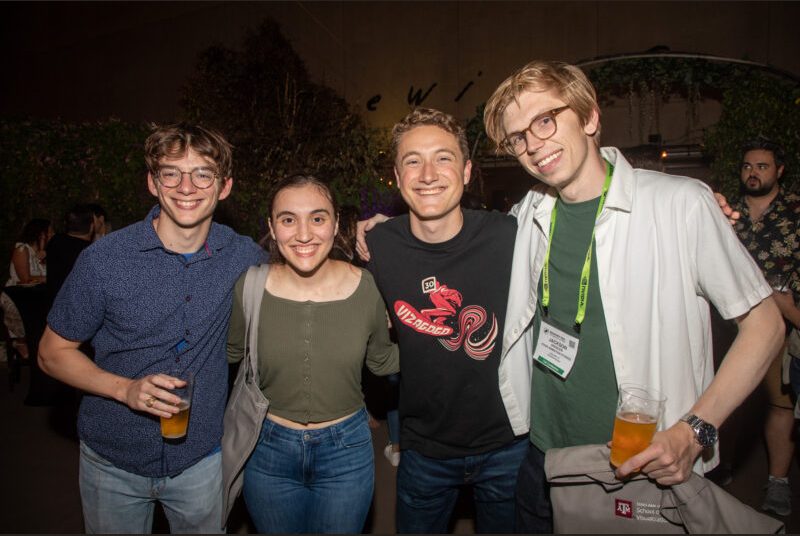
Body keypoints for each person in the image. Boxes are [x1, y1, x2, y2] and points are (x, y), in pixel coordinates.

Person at [482, 59, 784, 532]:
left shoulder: (679, 204)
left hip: (640, 462)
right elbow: (455, 236)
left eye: (545, 120)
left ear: (590, 118)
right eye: (518, 136)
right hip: (541, 456)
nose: (532, 145)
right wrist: (378, 229)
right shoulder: (527, 213)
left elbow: (765, 324)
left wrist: (695, 430)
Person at [38, 123, 266, 534]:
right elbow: (51, 354)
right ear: (152, 182)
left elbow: (304, 260)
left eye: (203, 173)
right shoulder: (104, 260)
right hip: (113, 460)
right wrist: (125, 389)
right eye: (171, 172)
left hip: (201, 459)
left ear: (225, 186)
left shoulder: (242, 253)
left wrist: (368, 234)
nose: (186, 186)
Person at [360, 108, 528, 534]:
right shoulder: (376, 246)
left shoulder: (510, 235)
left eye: (444, 157)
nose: (428, 173)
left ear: (468, 171)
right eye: (413, 160)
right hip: (424, 450)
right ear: (397, 178)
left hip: (509, 446)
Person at [226, 174, 398, 533]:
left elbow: (382, 360)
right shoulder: (251, 286)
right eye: (288, 219)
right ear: (272, 228)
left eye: (317, 218)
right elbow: (226, 355)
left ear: (336, 224)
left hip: (346, 450)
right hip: (267, 448)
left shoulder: (365, 286)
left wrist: (443, 350)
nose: (304, 234)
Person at [730, 138, 800, 516]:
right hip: (728, 325)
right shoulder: (726, 211)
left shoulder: (795, 212)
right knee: (728, 398)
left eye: (762, 166)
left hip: (778, 326)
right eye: (747, 166)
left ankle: (778, 483)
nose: (752, 173)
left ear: (779, 171)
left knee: (779, 405)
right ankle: (719, 469)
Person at [1, 218, 53, 358]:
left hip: (37, 296)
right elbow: (25, 279)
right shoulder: (22, 249)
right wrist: (49, 278)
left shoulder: (44, 253)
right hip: (18, 297)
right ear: (42, 234)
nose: (52, 235)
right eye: (50, 232)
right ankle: (20, 342)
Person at [45, 204, 96, 303]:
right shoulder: (91, 251)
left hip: (54, 305)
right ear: (91, 226)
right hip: (78, 307)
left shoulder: (55, 241)